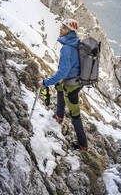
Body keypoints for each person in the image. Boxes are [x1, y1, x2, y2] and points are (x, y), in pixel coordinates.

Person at [38, 19, 88, 150]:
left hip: (71, 84)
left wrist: (45, 83)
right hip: (75, 79)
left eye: (64, 28)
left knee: (75, 113)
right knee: (59, 87)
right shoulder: (75, 43)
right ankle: (59, 116)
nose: (61, 29)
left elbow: (61, 73)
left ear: (70, 32)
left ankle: (83, 144)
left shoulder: (67, 48)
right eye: (62, 26)